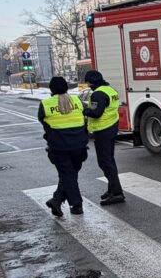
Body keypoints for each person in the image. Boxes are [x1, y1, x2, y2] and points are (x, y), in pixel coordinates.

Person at [39, 76, 88, 217]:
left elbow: (44, 123)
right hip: (79, 146)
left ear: (51, 89)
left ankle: (75, 204)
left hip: (60, 147)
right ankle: (58, 199)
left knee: (68, 175)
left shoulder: (46, 104)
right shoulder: (77, 100)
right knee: (70, 175)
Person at [84, 70, 125, 205]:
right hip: (111, 127)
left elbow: (96, 113)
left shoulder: (98, 94)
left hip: (103, 130)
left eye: (88, 82)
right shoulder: (110, 89)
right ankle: (112, 189)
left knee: (105, 162)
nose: (88, 85)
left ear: (91, 82)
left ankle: (117, 193)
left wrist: (83, 109)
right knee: (109, 160)